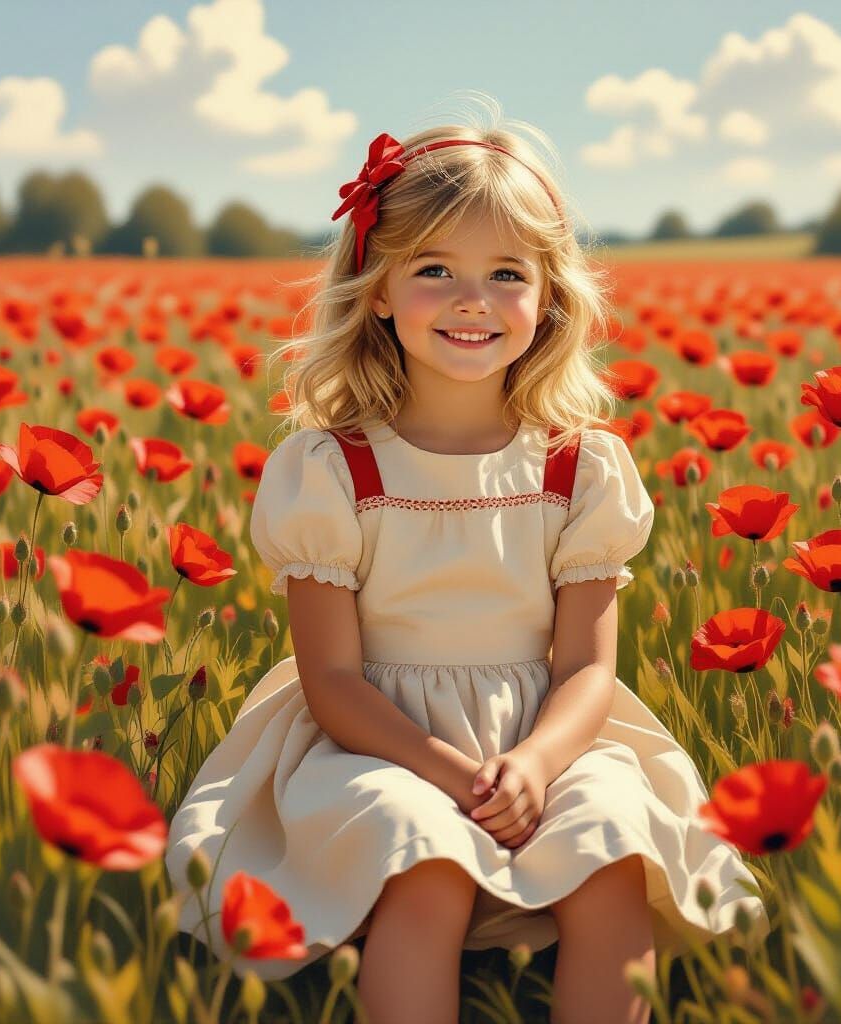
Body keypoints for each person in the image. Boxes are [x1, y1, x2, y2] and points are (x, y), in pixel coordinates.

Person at [165, 112, 769, 1023]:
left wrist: (532, 764)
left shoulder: (579, 467)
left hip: (550, 734)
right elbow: (331, 679)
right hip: (377, 738)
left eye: (506, 275)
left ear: (548, 300)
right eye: (435, 270)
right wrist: (454, 776)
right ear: (377, 290)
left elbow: (587, 669)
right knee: (425, 856)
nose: (471, 300)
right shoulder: (335, 469)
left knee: (611, 845)